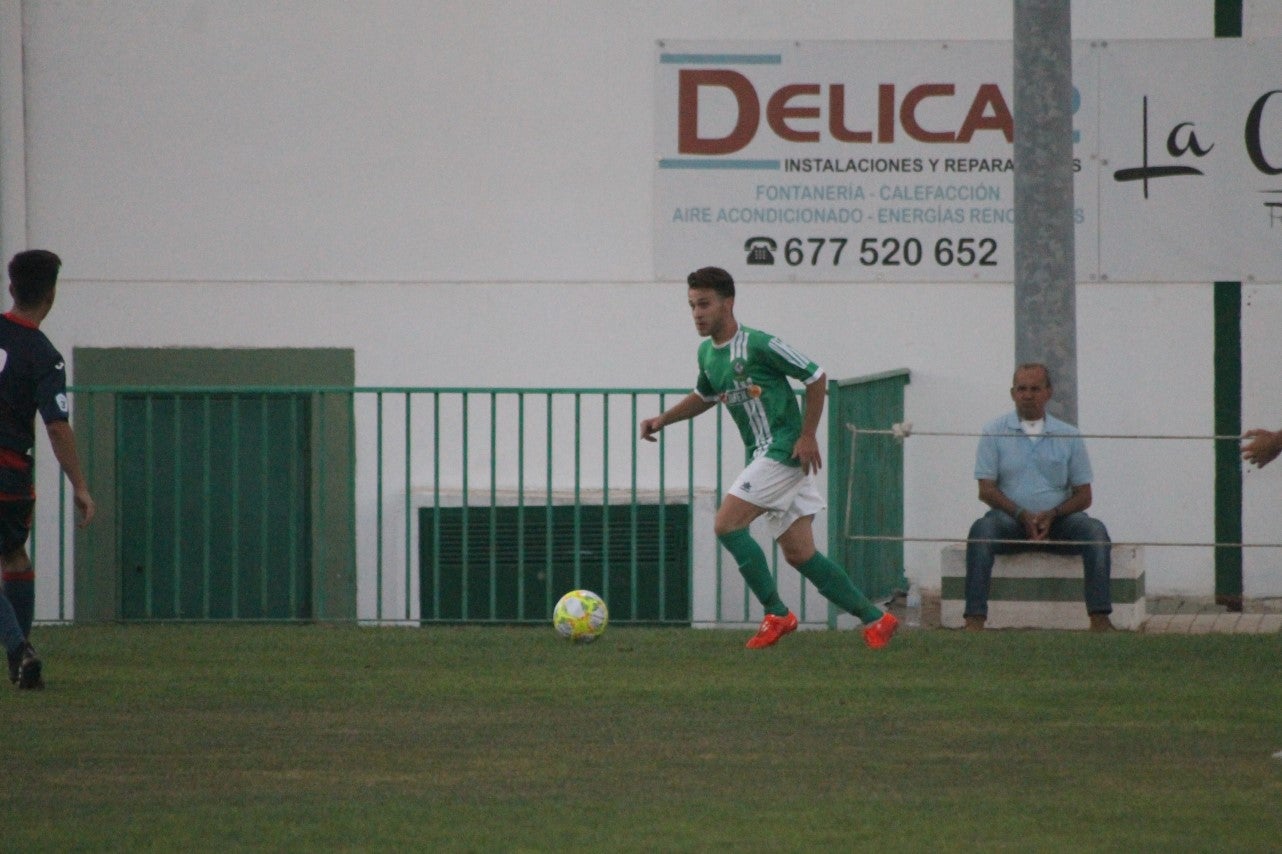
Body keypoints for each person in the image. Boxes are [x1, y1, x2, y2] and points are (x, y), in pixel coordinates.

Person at [639, 266, 897, 650]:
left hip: (783, 449)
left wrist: (807, 434)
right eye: (692, 305)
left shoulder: (759, 344)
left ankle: (777, 613)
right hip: (763, 454)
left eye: (705, 304)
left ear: (728, 302)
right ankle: (877, 619)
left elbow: (815, 375)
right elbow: (704, 396)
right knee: (800, 553)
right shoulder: (707, 352)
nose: (697, 313)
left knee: (726, 524)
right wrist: (663, 419)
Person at [1, 250, 95, 689]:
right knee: (14, 556)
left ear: (11, 288)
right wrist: (80, 485)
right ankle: (21, 663)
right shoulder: (43, 354)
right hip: (13, 475)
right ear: (51, 294)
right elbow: (57, 427)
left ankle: (20, 650)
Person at [963, 363, 1113, 631]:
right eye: (1022, 389)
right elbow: (986, 489)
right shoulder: (993, 431)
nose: (1028, 395)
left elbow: (1084, 495)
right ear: (1012, 393)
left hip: (1059, 522)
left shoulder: (1069, 435)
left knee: (1096, 532)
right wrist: (1021, 514)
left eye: (1035, 389)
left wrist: (1053, 514)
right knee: (981, 531)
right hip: (1009, 521)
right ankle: (974, 620)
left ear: (1048, 393)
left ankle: (1100, 619)